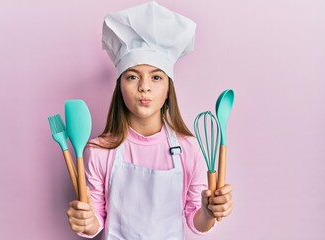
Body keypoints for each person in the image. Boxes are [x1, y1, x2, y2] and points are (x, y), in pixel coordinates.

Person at [67, 2, 233, 239]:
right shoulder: (99, 150)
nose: (144, 87)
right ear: (119, 87)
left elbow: (198, 220)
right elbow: (95, 221)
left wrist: (208, 211)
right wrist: (84, 220)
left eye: (156, 77)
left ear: (168, 89)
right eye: (132, 76)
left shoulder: (190, 149)